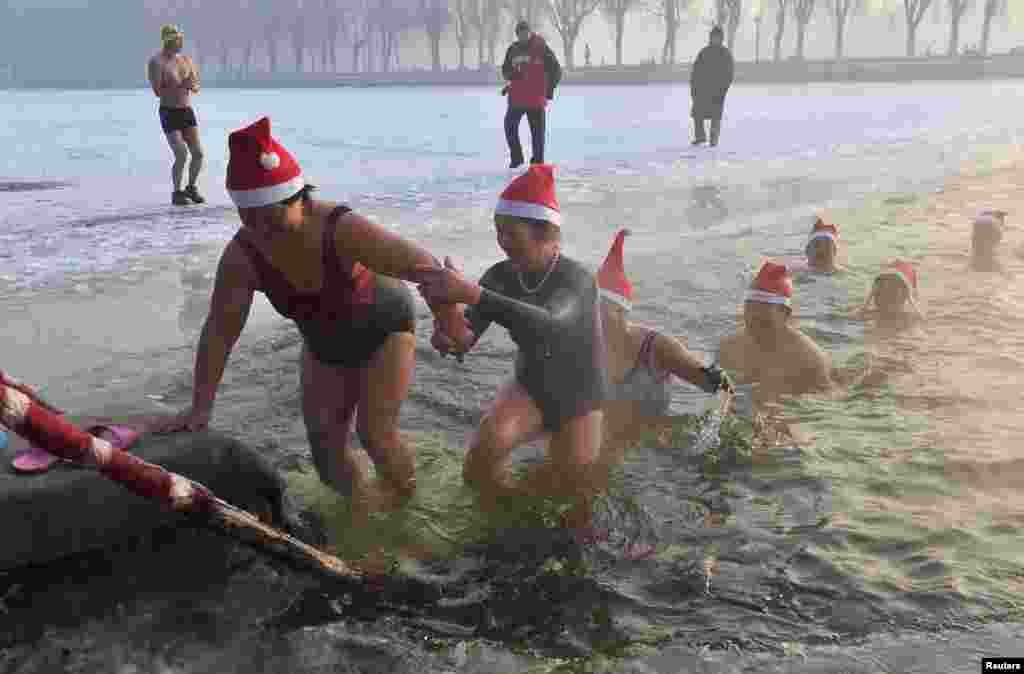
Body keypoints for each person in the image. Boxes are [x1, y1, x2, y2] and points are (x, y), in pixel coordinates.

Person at [153, 117, 470, 529]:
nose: (263, 230)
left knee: (375, 433)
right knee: (325, 453)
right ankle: (365, 511)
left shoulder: (340, 227)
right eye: (249, 218)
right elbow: (219, 331)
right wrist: (200, 406)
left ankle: (408, 513)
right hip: (325, 343)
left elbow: (426, 268)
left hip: (385, 327)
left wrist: (451, 324)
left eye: (271, 216)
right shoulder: (242, 258)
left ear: (297, 197)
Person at [417, 165, 606, 514]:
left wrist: (473, 295)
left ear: (547, 235)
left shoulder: (577, 281)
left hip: (581, 398)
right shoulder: (499, 277)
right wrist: (445, 318)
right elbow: (464, 340)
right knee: (480, 462)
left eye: (511, 235)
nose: (502, 243)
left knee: (571, 497)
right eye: (498, 232)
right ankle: (503, 518)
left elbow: (549, 324)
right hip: (530, 386)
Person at [596, 229, 734, 455]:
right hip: (608, 445)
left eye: (600, 307)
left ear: (621, 309)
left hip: (653, 451)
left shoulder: (657, 348)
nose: (591, 315)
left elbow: (723, 386)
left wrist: (709, 434)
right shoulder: (584, 347)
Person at [718, 261, 833, 398]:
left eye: (763, 312)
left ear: (786, 314)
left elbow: (830, 398)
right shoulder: (729, 348)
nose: (754, 317)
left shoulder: (809, 359)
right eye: (750, 309)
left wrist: (783, 408)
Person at [147, 24, 205, 206]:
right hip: (169, 112)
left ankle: (191, 187)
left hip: (186, 111)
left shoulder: (186, 60)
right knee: (181, 153)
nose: (180, 42)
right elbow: (158, 91)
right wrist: (179, 85)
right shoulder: (156, 62)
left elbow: (195, 85)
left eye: (180, 39)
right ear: (168, 40)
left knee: (198, 153)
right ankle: (177, 192)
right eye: (176, 39)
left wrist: (191, 85)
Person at [501, 21, 562, 169]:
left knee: (537, 135)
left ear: (530, 32)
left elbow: (556, 70)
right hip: (517, 99)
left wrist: (549, 91)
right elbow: (505, 70)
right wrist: (511, 75)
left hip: (536, 100)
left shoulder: (541, 48)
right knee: (509, 126)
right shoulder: (513, 49)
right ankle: (517, 157)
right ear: (517, 35)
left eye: (525, 33)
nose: (523, 36)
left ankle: (537, 165)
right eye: (519, 34)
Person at [690, 26, 734, 148]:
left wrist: (723, 88)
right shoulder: (704, 52)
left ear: (721, 38)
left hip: (717, 91)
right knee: (697, 114)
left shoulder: (725, 54)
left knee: (716, 116)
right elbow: (696, 71)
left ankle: (713, 140)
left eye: (717, 37)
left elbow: (729, 74)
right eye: (713, 37)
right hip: (702, 90)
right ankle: (700, 136)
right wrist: (694, 88)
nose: (715, 39)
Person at [851, 260, 923, 329]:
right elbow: (863, 307)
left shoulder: (902, 288)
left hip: (899, 278)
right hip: (894, 277)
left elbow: (916, 309)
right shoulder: (879, 285)